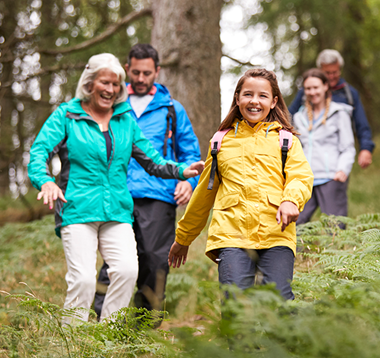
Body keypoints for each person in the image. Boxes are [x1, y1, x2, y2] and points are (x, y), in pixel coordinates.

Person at [27, 53, 204, 323]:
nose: (110, 90)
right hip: (78, 209)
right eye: (104, 83)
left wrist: (182, 171)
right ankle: (73, 342)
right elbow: (38, 152)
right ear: (89, 83)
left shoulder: (125, 121)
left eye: (115, 85)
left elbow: (153, 161)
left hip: (118, 212)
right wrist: (46, 181)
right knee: (84, 280)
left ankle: (107, 337)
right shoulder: (67, 115)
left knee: (126, 271)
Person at [168, 69, 313, 300]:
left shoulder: (286, 141)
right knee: (235, 303)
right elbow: (204, 194)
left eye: (263, 96)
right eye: (248, 94)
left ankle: (283, 337)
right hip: (231, 236)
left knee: (279, 301)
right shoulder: (220, 142)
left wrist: (290, 200)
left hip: (276, 234)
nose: (254, 101)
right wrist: (183, 238)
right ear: (237, 98)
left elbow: (300, 176)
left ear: (274, 101)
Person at [92, 44, 202, 323]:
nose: (141, 78)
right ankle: (101, 324)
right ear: (127, 69)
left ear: (157, 72)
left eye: (147, 73)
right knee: (115, 262)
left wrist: (190, 183)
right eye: (136, 72)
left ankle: (146, 329)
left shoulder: (172, 110)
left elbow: (191, 155)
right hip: (117, 194)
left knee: (154, 261)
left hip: (159, 195)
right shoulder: (111, 104)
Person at [288, 49, 375, 169]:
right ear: (320, 70)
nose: (331, 76)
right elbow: (289, 116)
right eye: (327, 73)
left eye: (335, 72)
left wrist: (366, 148)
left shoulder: (349, 93)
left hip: (339, 156)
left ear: (340, 69)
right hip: (311, 157)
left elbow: (361, 123)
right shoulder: (307, 92)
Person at [293, 69, 356, 226]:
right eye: (308, 88)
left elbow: (348, 146)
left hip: (331, 177)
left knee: (335, 226)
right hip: (305, 179)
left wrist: (343, 169)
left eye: (316, 87)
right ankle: (297, 252)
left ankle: (338, 251)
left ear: (325, 87)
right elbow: (296, 149)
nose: (312, 92)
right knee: (295, 223)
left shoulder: (339, 113)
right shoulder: (298, 117)